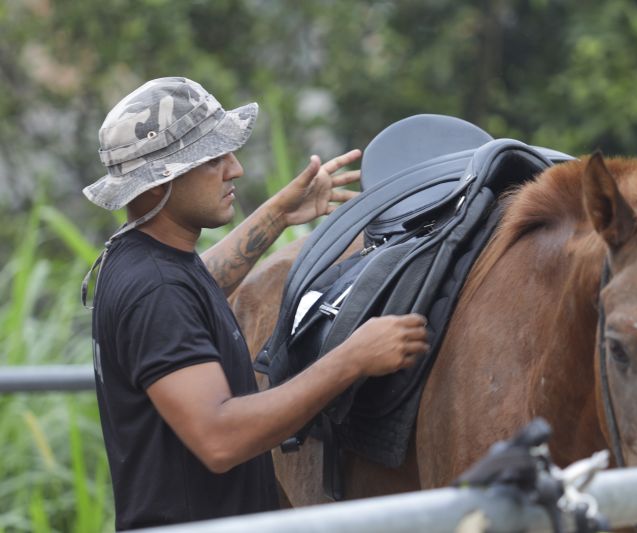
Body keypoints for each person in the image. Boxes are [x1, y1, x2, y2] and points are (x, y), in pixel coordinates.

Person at [82, 77, 429, 530]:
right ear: (156, 184)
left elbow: (196, 286)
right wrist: (352, 358)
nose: (235, 170)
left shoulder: (138, 258)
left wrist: (278, 215)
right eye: (212, 159)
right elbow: (220, 438)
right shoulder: (156, 291)